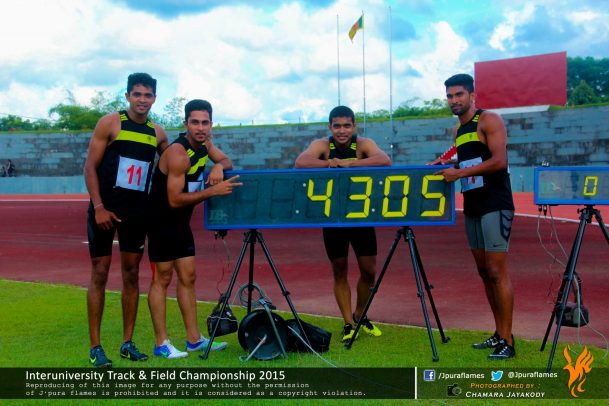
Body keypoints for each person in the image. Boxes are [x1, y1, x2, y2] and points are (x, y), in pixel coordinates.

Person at [83, 72, 169, 367]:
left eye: (148, 95)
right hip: (105, 211)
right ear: (128, 95)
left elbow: (174, 163)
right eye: (137, 94)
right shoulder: (110, 123)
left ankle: (127, 343)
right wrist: (99, 207)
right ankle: (95, 347)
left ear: (154, 98)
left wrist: (212, 157)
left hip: (136, 214)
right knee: (100, 272)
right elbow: (90, 167)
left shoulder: (158, 134)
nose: (142, 100)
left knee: (131, 274)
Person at [146, 99, 242, 359]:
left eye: (205, 122)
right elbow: (174, 199)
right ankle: (161, 343)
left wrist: (218, 165)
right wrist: (213, 191)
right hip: (161, 221)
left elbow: (226, 160)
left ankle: (194, 340)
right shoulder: (178, 154)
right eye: (195, 122)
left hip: (180, 223)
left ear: (211, 124)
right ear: (186, 123)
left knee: (188, 277)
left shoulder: (205, 145)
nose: (200, 127)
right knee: (162, 278)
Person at [434, 73, 516, 360]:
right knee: (483, 272)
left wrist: (459, 173)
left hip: (495, 203)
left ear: (472, 95)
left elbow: (499, 161)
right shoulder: (459, 130)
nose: (454, 100)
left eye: (459, 94)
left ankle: (508, 340)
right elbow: (473, 159)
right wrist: (449, 163)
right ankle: (499, 333)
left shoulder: (489, 120)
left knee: (496, 272)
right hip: (473, 205)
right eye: (449, 96)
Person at [295, 105, 391, 342]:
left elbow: (384, 160)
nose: (342, 131)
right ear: (330, 127)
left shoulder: (363, 144)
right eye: (337, 126)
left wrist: (350, 164)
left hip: (360, 216)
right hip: (334, 217)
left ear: (354, 126)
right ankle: (348, 323)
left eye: (347, 125)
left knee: (369, 271)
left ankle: (360, 315)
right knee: (339, 269)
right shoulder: (322, 145)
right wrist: (329, 164)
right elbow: (301, 162)